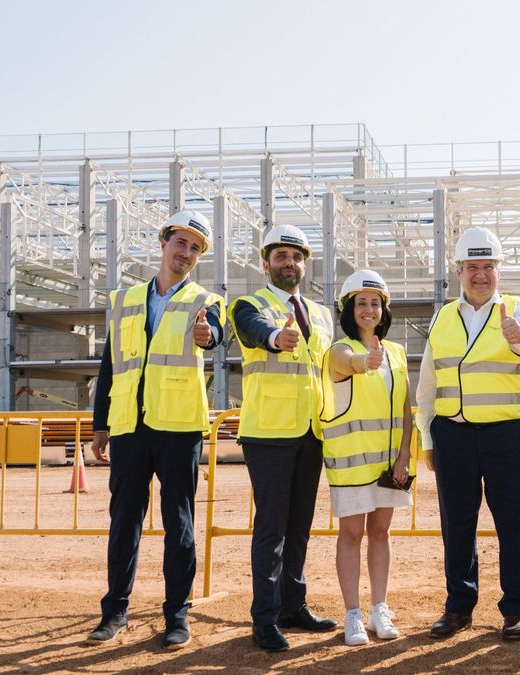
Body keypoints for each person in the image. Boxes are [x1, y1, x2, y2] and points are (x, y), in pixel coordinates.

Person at [86, 210, 226, 650]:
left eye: (195, 249)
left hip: (179, 427)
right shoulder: (125, 300)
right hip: (130, 426)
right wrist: (101, 424)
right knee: (124, 521)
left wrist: (207, 335)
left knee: (179, 523)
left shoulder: (206, 300)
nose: (186, 253)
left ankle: (177, 615)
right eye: (180, 243)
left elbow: (215, 333)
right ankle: (114, 612)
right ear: (163, 243)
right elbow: (111, 364)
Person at [415, 226, 520, 641]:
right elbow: (428, 384)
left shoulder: (517, 309)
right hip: (453, 435)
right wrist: (428, 438)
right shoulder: (442, 317)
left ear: (499, 270)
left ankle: (516, 609)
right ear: (458, 271)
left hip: (507, 434)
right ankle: (459, 606)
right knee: (457, 523)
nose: (481, 274)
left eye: (488, 266)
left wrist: (517, 336)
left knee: (513, 522)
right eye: (472, 266)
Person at [230, 224, 337, 653]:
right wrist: (276, 337)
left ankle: (294, 605)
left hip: (312, 431)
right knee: (271, 529)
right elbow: (254, 330)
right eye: (280, 257)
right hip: (269, 432)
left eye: (296, 257)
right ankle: (265, 617)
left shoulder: (321, 313)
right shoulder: (249, 305)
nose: (289, 263)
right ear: (266, 263)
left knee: (299, 527)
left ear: (304, 264)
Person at [320, 270, 415, 646]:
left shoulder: (397, 353)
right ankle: (353, 614)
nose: (369, 309)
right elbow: (348, 362)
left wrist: (404, 456)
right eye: (361, 303)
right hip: (351, 465)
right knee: (350, 534)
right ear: (349, 309)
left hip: (388, 465)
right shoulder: (338, 350)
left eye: (375, 303)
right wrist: (366, 361)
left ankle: (379, 608)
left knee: (380, 533)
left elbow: (405, 410)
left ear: (383, 310)